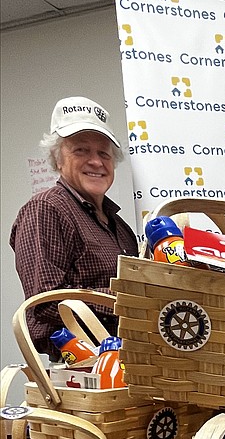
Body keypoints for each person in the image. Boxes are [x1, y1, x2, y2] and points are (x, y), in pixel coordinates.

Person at [10, 96, 138, 359]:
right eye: (80, 150)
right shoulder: (45, 209)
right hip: (80, 367)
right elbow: (45, 302)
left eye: (104, 153)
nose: (96, 162)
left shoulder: (121, 227)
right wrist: (130, 296)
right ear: (57, 160)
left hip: (128, 362)